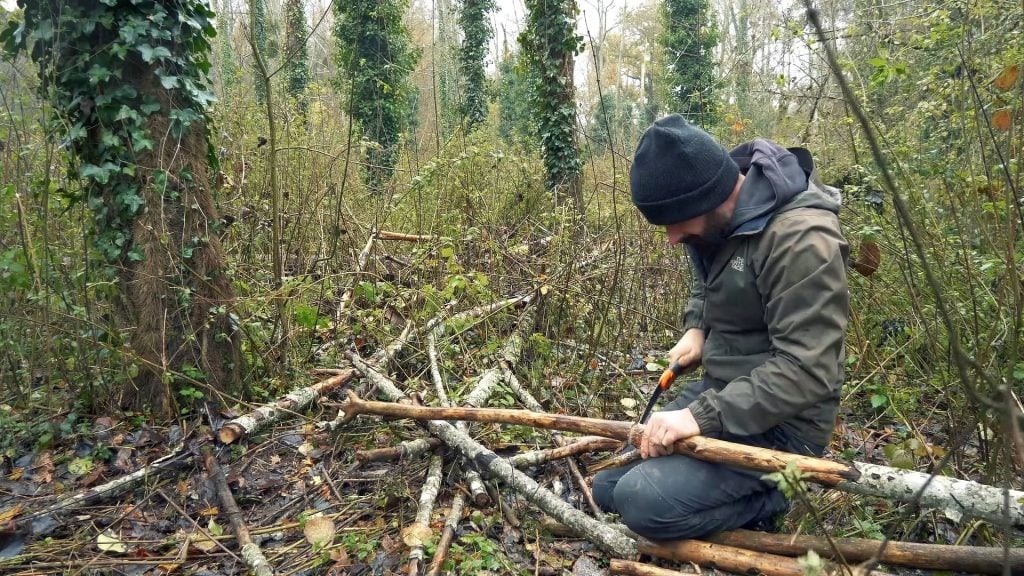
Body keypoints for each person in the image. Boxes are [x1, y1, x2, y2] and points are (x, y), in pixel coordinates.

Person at [593, 115, 849, 540]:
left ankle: (778, 495)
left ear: (710, 199)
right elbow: (706, 264)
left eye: (676, 222)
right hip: (725, 390)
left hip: (785, 425)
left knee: (642, 501)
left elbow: (808, 371)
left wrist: (699, 415)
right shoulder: (721, 213)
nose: (672, 238)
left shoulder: (802, 241)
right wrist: (697, 326)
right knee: (608, 486)